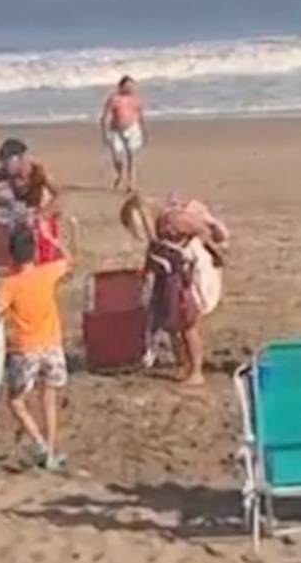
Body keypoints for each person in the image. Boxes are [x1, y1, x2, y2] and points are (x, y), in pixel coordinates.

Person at [0, 229, 70, 470]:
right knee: (49, 400)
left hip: (25, 349)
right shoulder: (47, 273)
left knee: (16, 401)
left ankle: (39, 443)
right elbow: (69, 260)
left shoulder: (10, 285)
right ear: (34, 253)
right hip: (52, 345)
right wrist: (52, 239)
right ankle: (50, 451)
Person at [144, 192, 228, 386]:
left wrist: (187, 251)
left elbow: (205, 232)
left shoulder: (173, 220)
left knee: (188, 324)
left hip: (188, 277)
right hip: (170, 274)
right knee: (171, 322)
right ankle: (183, 364)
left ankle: (196, 370)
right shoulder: (158, 229)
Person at [99, 76, 146, 191]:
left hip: (132, 128)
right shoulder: (114, 98)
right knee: (117, 155)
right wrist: (104, 130)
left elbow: (140, 114)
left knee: (132, 155)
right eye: (128, 86)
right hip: (116, 129)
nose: (130, 88)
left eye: (132, 86)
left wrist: (142, 129)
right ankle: (120, 174)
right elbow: (105, 115)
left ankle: (131, 181)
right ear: (121, 86)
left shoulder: (136, 99)